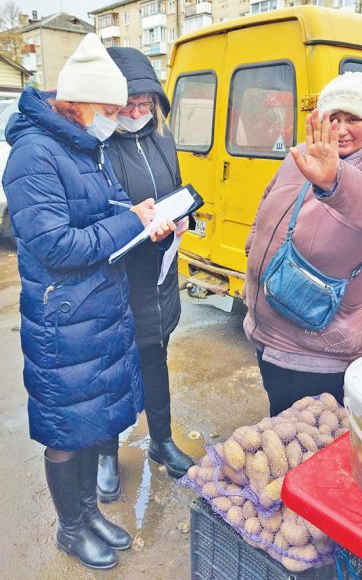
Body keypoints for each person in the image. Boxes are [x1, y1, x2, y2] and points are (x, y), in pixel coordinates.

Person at [2, 34, 169, 570]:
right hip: (63, 316)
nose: (117, 120)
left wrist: (136, 211)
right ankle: (69, 529)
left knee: (93, 420)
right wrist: (130, 222)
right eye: (110, 110)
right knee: (64, 431)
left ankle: (90, 513)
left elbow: (95, 207)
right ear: (77, 103)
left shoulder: (78, 141)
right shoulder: (33, 154)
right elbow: (57, 244)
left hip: (95, 307)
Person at [243, 72, 362, 416]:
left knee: (312, 440)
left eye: (353, 119)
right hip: (269, 327)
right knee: (280, 421)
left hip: (322, 350)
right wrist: (253, 246)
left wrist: (335, 178)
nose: (340, 129)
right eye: (333, 118)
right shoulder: (307, 153)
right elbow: (268, 202)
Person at [95, 47, 193, 503]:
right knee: (112, 371)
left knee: (155, 360)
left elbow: (173, 190)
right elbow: (96, 213)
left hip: (159, 274)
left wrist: (182, 216)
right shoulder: (96, 146)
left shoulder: (161, 139)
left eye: (145, 104)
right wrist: (135, 221)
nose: (137, 113)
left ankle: (162, 440)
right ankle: (107, 454)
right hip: (117, 279)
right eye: (129, 104)